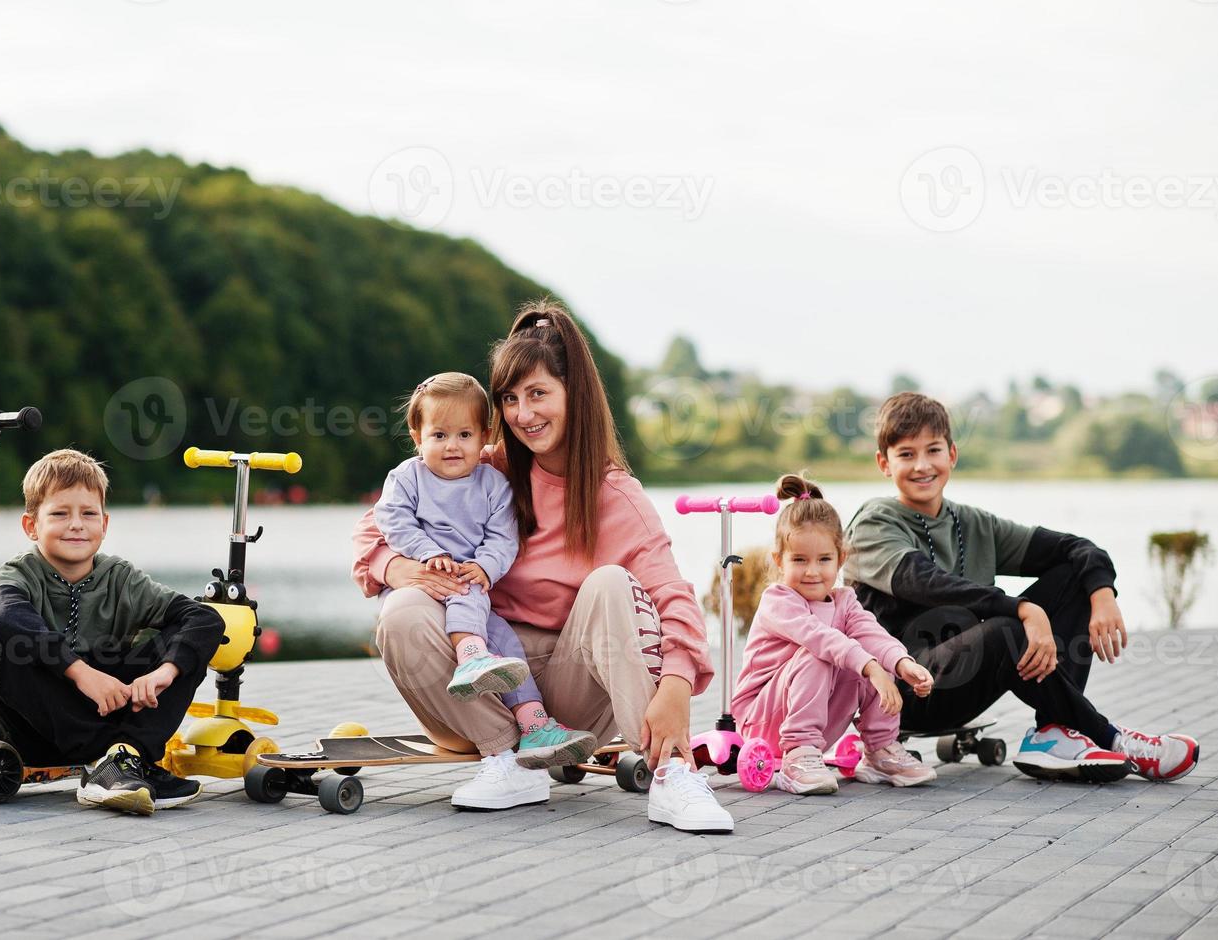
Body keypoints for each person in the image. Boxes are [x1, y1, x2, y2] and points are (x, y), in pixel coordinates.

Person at [353, 301, 733, 833]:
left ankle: (671, 775)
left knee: (609, 584)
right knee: (402, 610)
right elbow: (374, 532)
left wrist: (675, 684)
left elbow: (673, 596)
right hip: (480, 690)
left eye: (538, 394)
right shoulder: (484, 470)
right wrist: (403, 569)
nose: (523, 414)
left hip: (575, 690)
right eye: (510, 398)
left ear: (573, 395)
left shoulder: (616, 497)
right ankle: (507, 762)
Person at [844, 392, 1198, 783]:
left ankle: (1055, 733)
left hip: (966, 681)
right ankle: (1109, 737)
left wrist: (1102, 593)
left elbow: (1076, 548)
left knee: (1072, 574)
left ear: (952, 454)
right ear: (883, 462)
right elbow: (927, 583)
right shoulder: (873, 524)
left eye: (933, 450)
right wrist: (1024, 609)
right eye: (906, 454)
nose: (923, 465)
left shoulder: (973, 524)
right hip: (900, 693)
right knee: (1008, 629)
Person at [374, 371, 596, 768]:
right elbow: (392, 521)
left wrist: (485, 568)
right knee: (458, 605)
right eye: (438, 436)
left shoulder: (493, 484)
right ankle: (471, 658)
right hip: (429, 586)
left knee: (507, 647)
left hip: (474, 588)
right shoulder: (408, 478)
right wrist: (427, 554)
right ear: (417, 437)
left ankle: (534, 723)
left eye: (464, 435)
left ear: (484, 436)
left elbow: (503, 537)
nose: (452, 446)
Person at [0, 448, 223, 814]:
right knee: (7, 643)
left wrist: (164, 671)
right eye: (60, 513)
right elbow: (3, 615)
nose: (76, 524)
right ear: (32, 526)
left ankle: (122, 759)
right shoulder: (21, 573)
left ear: (105, 525)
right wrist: (80, 673)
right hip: (38, 730)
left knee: (184, 643)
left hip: (109, 716)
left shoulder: (120, 578)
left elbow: (203, 619)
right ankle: (117, 764)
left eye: (88, 514)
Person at [734, 475, 938, 793]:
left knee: (875, 653)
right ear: (779, 560)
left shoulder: (845, 601)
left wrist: (901, 664)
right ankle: (798, 758)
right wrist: (869, 666)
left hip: (818, 722)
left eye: (824, 559)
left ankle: (880, 751)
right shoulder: (779, 601)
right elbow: (821, 637)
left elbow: (871, 633)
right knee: (825, 652)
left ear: (841, 559)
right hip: (762, 722)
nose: (812, 571)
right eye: (799, 560)